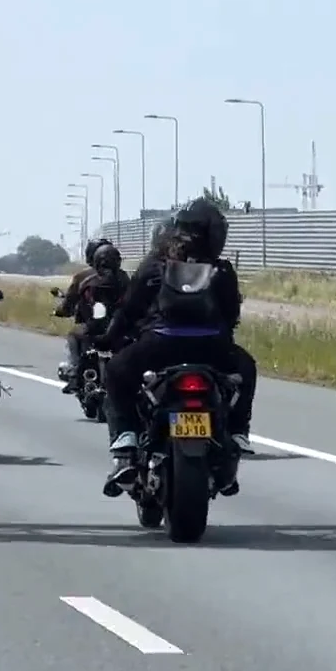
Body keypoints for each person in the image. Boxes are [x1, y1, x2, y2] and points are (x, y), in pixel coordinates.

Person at [98, 197, 259, 492]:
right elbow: (232, 316)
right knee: (247, 368)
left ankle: (125, 444)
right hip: (212, 348)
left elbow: (128, 310)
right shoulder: (222, 271)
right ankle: (237, 432)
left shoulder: (155, 267)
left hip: (159, 345)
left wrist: (108, 339)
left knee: (116, 371)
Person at [56, 239, 121, 391]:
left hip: (93, 326)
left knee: (73, 335)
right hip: (119, 326)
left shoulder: (84, 278)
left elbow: (69, 302)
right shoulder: (123, 277)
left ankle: (74, 373)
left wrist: (62, 310)